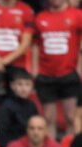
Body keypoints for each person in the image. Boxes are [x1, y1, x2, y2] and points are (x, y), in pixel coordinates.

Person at [0, 0, 34, 141]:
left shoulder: (26, 10)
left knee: (20, 86)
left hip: (15, 61)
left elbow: (26, 43)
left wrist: (4, 61)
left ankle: (18, 127)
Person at [33, 0, 82, 139]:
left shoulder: (77, 15)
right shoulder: (40, 18)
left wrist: (79, 68)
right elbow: (36, 45)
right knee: (48, 119)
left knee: (71, 118)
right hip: (45, 75)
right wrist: (35, 70)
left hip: (69, 73)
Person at [0, 69, 39, 147]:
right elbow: (1, 133)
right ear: (12, 86)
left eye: (27, 85)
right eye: (20, 84)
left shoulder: (32, 106)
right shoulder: (7, 106)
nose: (23, 88)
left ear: (32, 87)